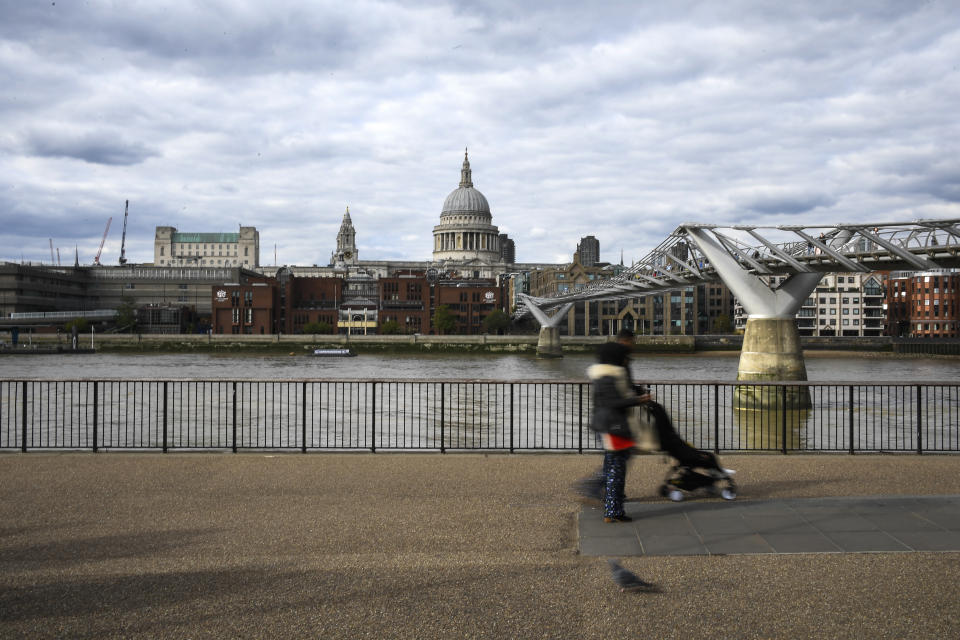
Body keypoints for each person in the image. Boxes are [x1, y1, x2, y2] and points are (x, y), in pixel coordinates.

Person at [585, 338, 652, 523]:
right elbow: (612, 402)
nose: (626, 361)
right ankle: (612, 511)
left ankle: (611, 507)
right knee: (616, 470)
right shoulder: (608, 377)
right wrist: (638, 400)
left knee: (613, 466)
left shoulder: (604, 375)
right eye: (623, 357)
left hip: (608, 425)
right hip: (613, 426)